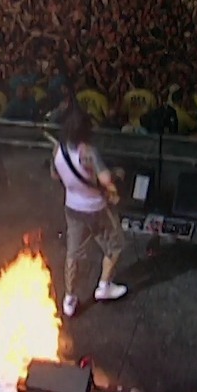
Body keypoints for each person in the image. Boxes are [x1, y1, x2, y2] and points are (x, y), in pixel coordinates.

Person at [50, 108, 127, 317]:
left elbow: (55, 175)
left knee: (73, 254)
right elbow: (105, 180)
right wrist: (116, 175)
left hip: (72, 208)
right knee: (115, 245)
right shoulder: (89, 153)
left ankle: (69, 298)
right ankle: (104, 287)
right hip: (97, 208)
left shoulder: (58, 149)